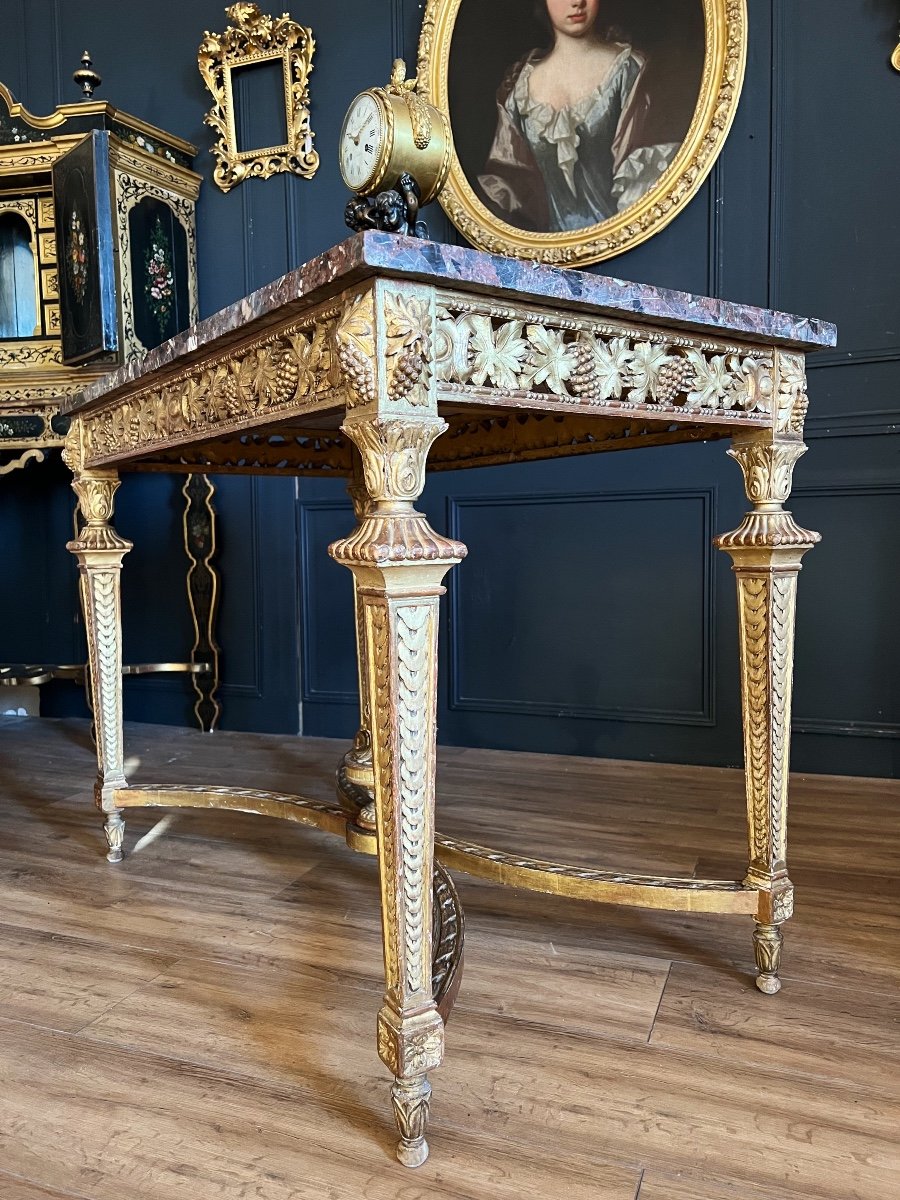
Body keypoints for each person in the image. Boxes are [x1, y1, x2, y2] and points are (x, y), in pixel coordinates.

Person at [478, 0, 678, 233]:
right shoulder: (519, 89)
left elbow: (644, 173)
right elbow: (509, 184)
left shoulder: (629, 69)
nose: (577, 3)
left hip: (623, 246)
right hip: (544, 255)